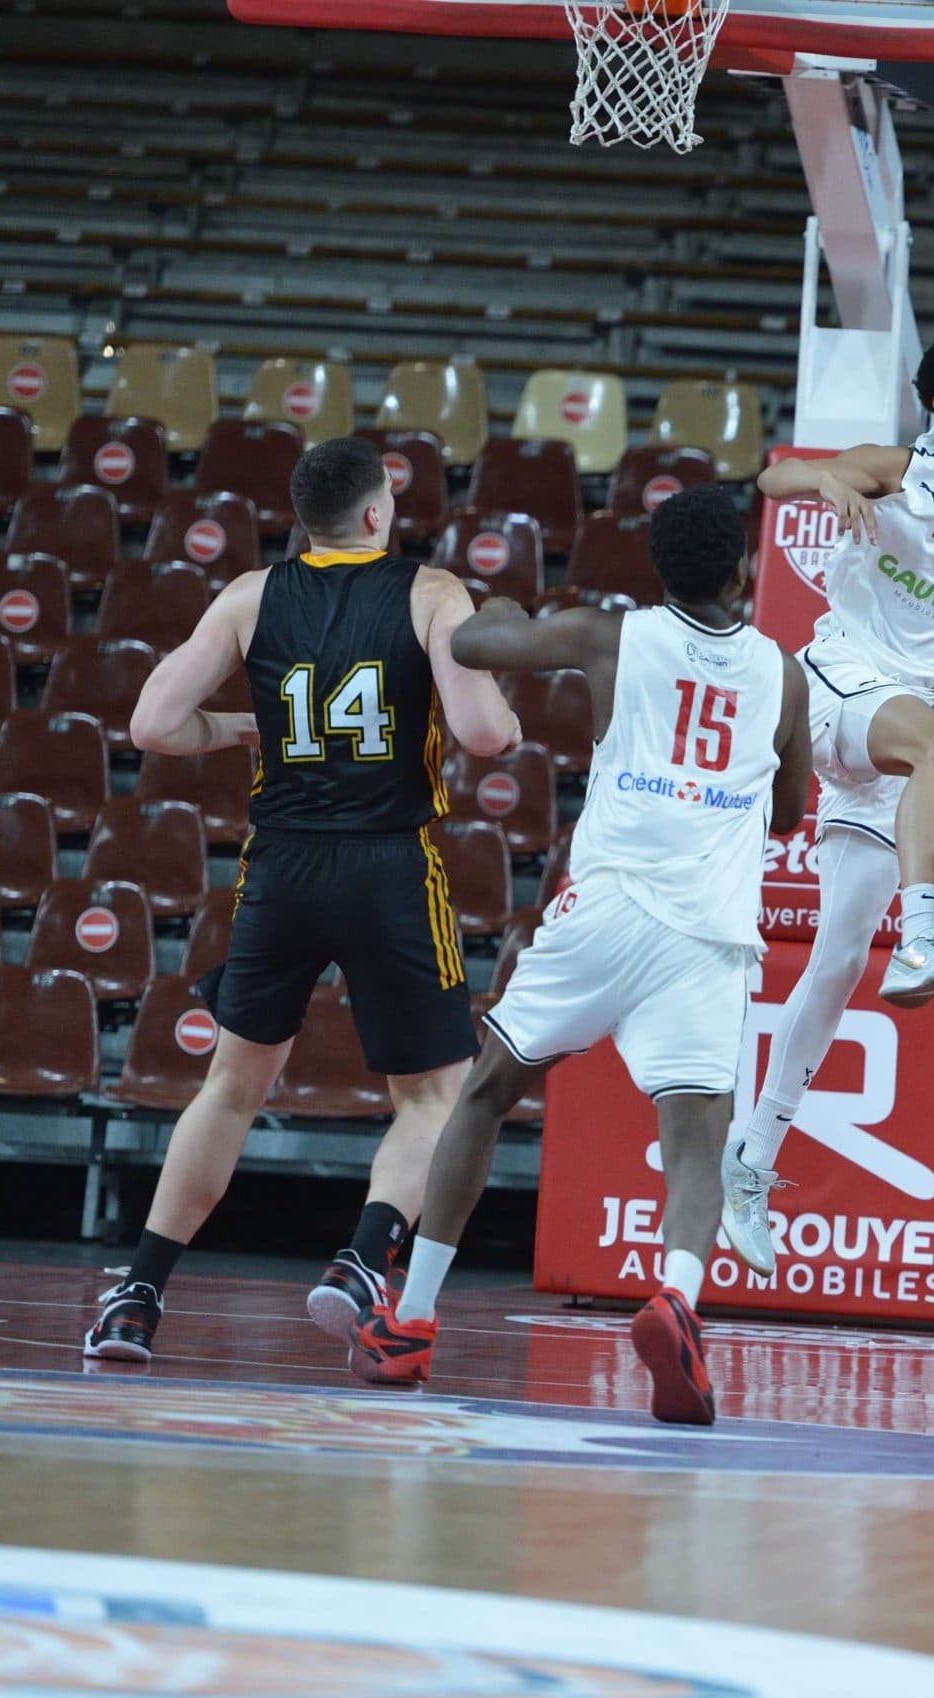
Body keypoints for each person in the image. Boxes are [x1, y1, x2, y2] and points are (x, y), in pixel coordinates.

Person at [347, 486, 807, 1426]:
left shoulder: (609, 634)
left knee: (483, 1093)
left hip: (606, 913)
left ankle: (413, 1321)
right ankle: (678, 1298)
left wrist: (511, 612)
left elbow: (473, 647)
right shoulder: (784, 674)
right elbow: (793, 812)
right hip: (707, 935)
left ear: (659, 569)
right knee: (696, 1143)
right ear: (743, 571)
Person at [84, 436, 521, 1361]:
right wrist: (505, 709)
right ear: (376, 515)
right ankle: (360, 1262)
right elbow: (483, 734)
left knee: (232, 1089)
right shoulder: (433, 591)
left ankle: (135, 1295)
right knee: (433, 1095)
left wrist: (245, 722)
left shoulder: (249, 594)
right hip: (388, 865)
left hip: (280, 865)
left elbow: (152, 725)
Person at [714, 329, 934, 1281]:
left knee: (832, 965)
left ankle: (752, 1156)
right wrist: (824, 483)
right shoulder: (899, 469)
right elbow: (770, 482)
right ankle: (932, 919)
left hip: (890, 743)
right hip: (839, 683)